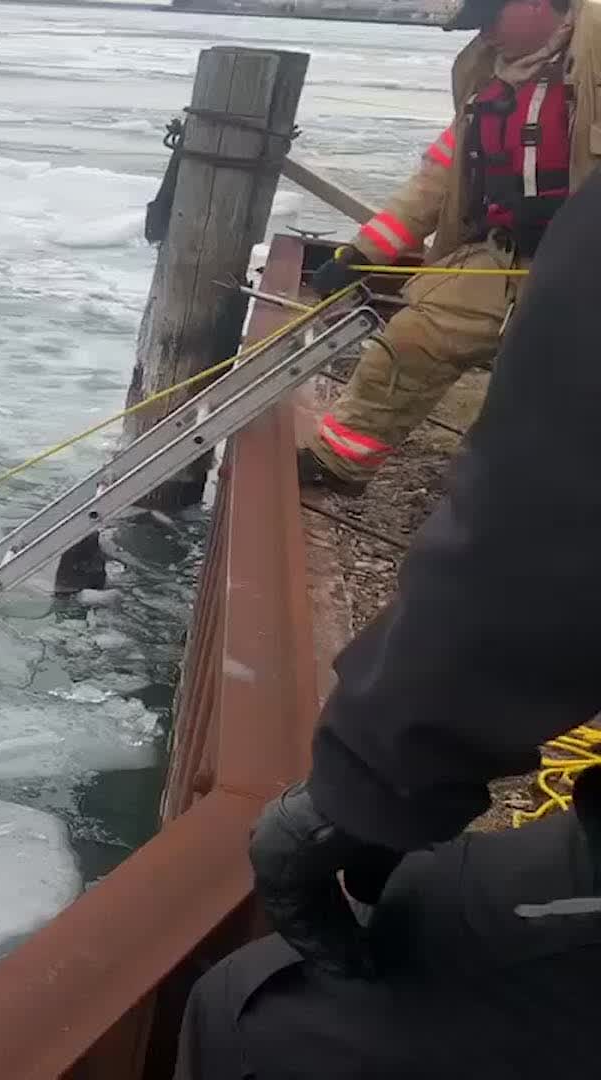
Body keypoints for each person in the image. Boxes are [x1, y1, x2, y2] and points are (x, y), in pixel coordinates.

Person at [174, 159, 601, 1077]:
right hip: (498, 257)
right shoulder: (502, 78)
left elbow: (558, 511)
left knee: (258, 1017)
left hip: (517, 272)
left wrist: (374, 779)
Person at [297, 0, 597, 497]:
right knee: (413, 338)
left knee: (550, 390)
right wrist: (360, 255)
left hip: (587, 269)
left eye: (490, 18)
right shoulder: (485, 79)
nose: (484, 34)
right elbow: (434, 182)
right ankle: (340, 463)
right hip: (504, 258)